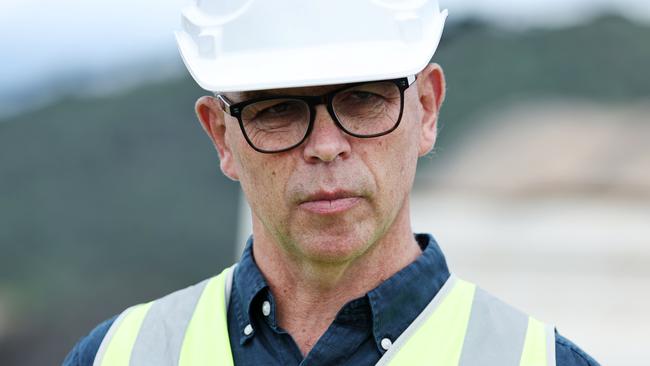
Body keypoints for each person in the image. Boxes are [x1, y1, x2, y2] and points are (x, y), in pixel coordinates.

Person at [64, 1, 600, 365]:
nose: (325, 145)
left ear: (427, 109)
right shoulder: (118, 355)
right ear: (221, 135)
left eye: (363, 98)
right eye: (278, 108)